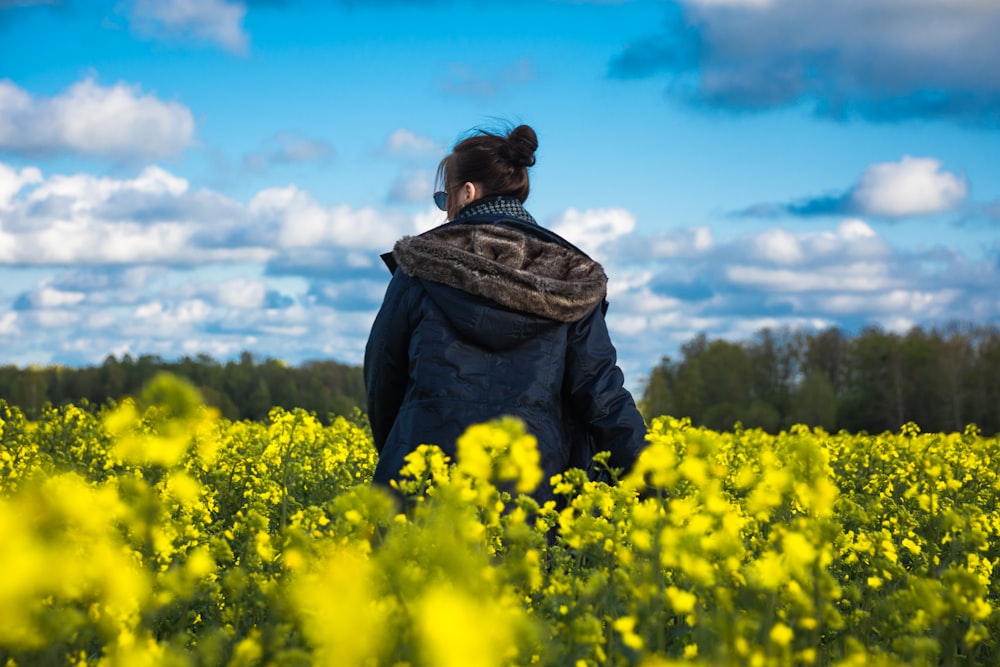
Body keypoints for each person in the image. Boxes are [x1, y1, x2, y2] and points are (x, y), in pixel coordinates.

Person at [364, 124, 646, 502]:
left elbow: (384, 379)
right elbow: (602, 396)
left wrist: (401, 456)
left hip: (424, 484)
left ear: (467, 193)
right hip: (533, 489)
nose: (445, 211)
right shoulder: (572, 277)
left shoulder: (418, 267)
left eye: (442, 198)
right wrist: (649, 489)